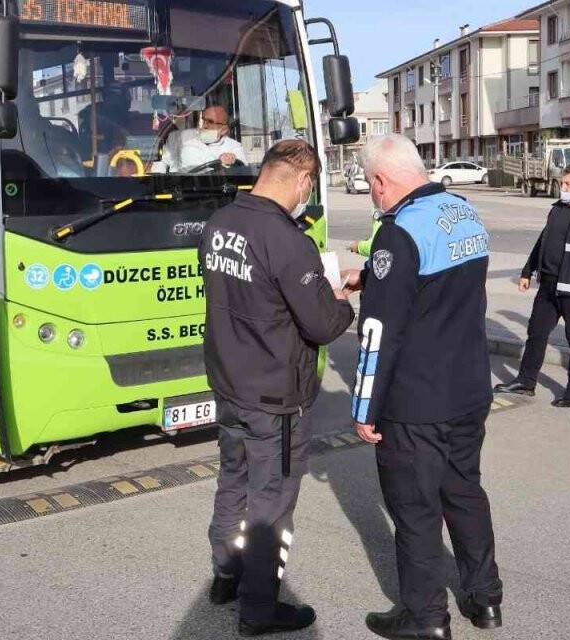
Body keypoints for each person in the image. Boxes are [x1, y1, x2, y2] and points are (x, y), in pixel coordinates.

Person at [344, 134, 503, 640]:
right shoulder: (462, 211)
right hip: (469, 387)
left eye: (372, 187)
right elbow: (438, 286)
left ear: (381, 181)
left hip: (417, 401)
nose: (374, 196)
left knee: (415, 510)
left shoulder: (397, 232)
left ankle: (426, 618)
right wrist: (372, 275)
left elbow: (379, 331)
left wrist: (364, 405)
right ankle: (485, 599)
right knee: (465, 493)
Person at [200, 139, 353, 636]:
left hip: (229, 384)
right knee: (271, 503)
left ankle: (226, 576)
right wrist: (343, 297)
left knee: (233, 481)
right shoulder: (287, 239)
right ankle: (259, 609)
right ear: (303, 181)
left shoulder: (220, 223)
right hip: (276, 398)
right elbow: (323, 325)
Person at [495, 164, 570, 407]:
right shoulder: (557, 210)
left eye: (568, 184)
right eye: (562, 183)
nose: (563, 187)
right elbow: (543, 241)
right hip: (548, 286)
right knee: (536, 333)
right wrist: (528, 270)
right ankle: (526, 382)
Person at [162, 105, 247, 172]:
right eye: (203, 120)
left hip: (214, 191)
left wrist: (230, 161)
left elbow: (242, 170)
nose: (204, 126)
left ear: (224, 129)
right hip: (180, 189)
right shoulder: (180, 137)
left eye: (210, 122)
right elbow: (161, 164)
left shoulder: (234, 147)